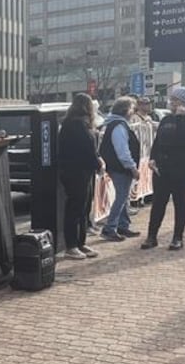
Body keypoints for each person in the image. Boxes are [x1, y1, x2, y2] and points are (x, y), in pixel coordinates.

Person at [141, 87, 185, 251]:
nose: (173, 103)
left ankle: (177, 237)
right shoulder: (166, 119)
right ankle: (151, 236)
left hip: (184, 166)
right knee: (158, 202)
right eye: (172, 100)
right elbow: (158, 140)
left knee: (180, 202)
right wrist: (152, 158)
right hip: (163, 167)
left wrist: (181, 118)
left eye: (176, 100)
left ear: (184, 102)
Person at [57, 93, 101, 260]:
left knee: (83, 208)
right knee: (75, 208)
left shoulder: (77, 124)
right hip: (75, 172)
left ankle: (80, 242)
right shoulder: (76, 125)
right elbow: (86, 149)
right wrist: (97, 163)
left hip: (82, 171)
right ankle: (71, 245)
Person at [98, 96, 141, 242]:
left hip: (118, 166)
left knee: (124, 196)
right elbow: (122, 150)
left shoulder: (116, 124)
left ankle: (122, 225)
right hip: (120, 167)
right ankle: (110, 227)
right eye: (132, 109)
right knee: (122, 196)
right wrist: (132, 167)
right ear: (126, 110)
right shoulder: (119, 126)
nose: (133, 112)